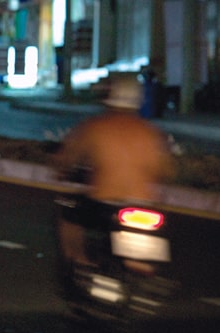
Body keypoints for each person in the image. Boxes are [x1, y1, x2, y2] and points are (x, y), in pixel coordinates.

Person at [55, 77, 174, 265]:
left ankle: (79, 261)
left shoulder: (96, 127)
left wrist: (62, 170)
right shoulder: (151, 133)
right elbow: (166, 170)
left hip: (105, 202)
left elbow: (69, 157)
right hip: (144, 205)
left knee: (69, 214)